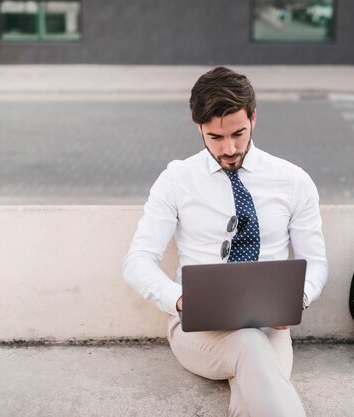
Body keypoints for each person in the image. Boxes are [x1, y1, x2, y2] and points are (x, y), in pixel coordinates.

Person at [123, 66, 328, 416]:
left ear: (253, 118)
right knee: (254, 355)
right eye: (215, 137)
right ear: (197, 125)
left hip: (271, 328)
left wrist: (297, 301)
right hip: (196, 328)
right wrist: (183, 300)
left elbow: (317, 262)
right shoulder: (177, 180)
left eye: (238, 133)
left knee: (257, 376)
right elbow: (137, 261)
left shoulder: (293, 181)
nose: (229, 149)